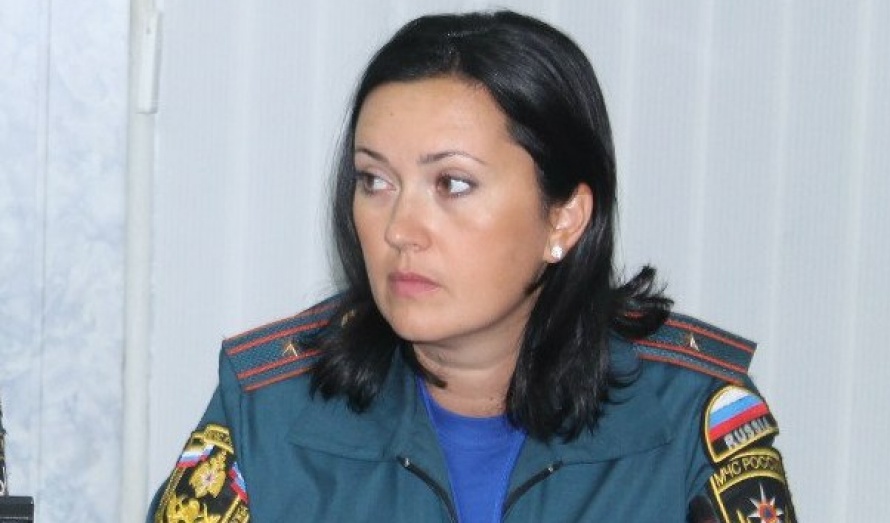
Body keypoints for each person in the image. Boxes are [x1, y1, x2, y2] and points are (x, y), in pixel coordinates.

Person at [149, 10, 795, 523]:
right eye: (375, 181)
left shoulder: (691, 415)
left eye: (452, 184)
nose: (400, 229)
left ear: (563, 217)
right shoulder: (267, 408)